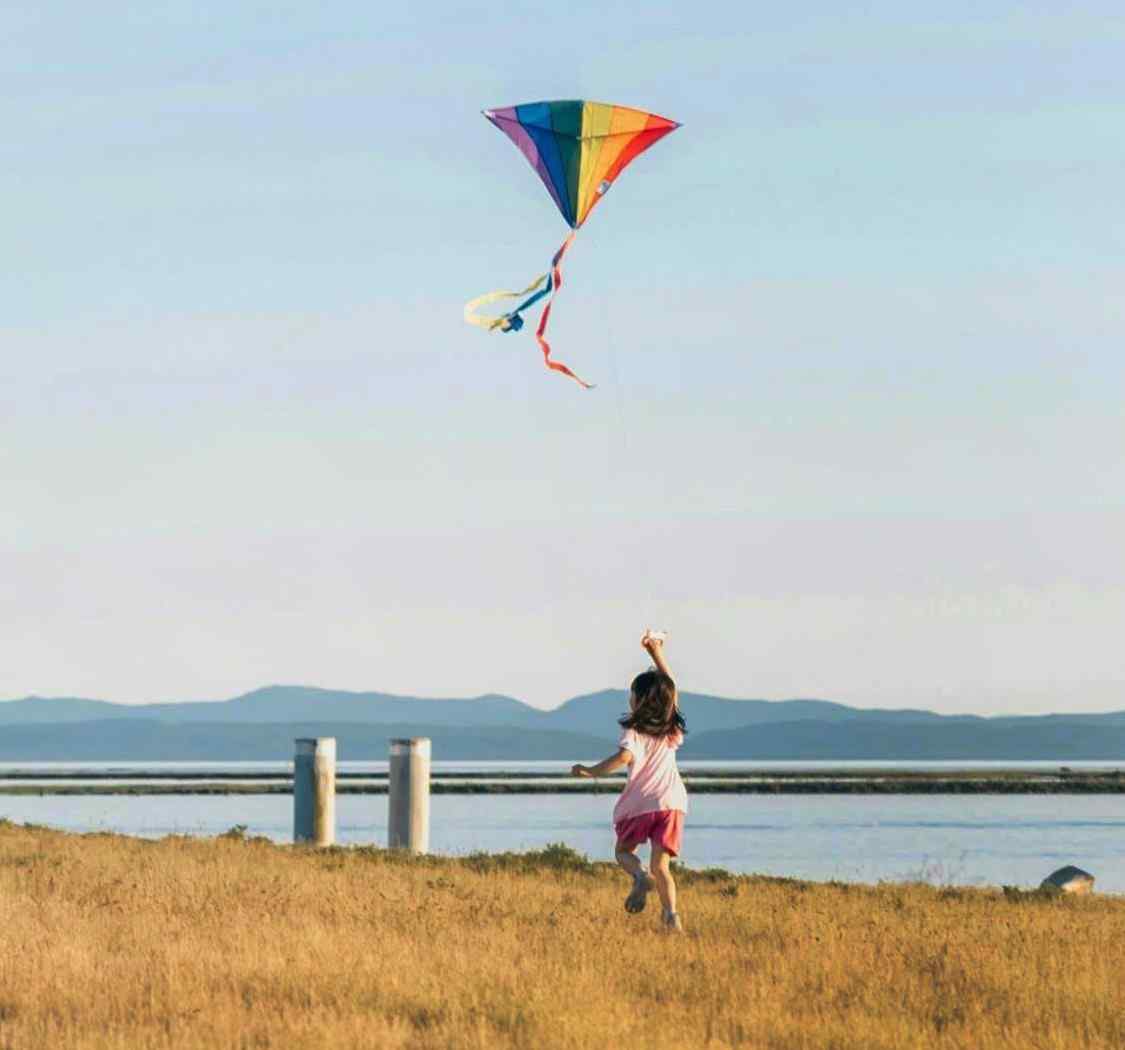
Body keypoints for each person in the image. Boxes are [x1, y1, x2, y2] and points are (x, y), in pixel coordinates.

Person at [571, 631, 687, 932]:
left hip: (640, 805)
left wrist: (591, 771)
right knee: (662, 866)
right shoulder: (671, 728)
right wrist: (655, 652)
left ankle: (638, 876)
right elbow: (670, 688)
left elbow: (624, 758)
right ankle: (671, 916)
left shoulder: (633, 731)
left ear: (639, 701)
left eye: (632, 694)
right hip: (672, 803)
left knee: (623, 851)